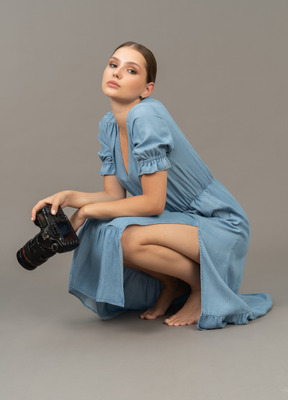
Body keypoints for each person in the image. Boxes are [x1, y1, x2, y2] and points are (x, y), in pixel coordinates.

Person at [31, 41, 272, 329]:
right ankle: (173, 285)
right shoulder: (109, 124)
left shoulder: (146, 116)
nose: (117, 73)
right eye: (113, 64)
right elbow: (112, 196)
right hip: (174, 222)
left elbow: (153, 204)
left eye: (131, 70)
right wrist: (69, 196)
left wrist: (83, 213)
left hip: (217, 223)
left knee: (122, 236)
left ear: (147, 89)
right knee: (101, 230)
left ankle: (201, 288)